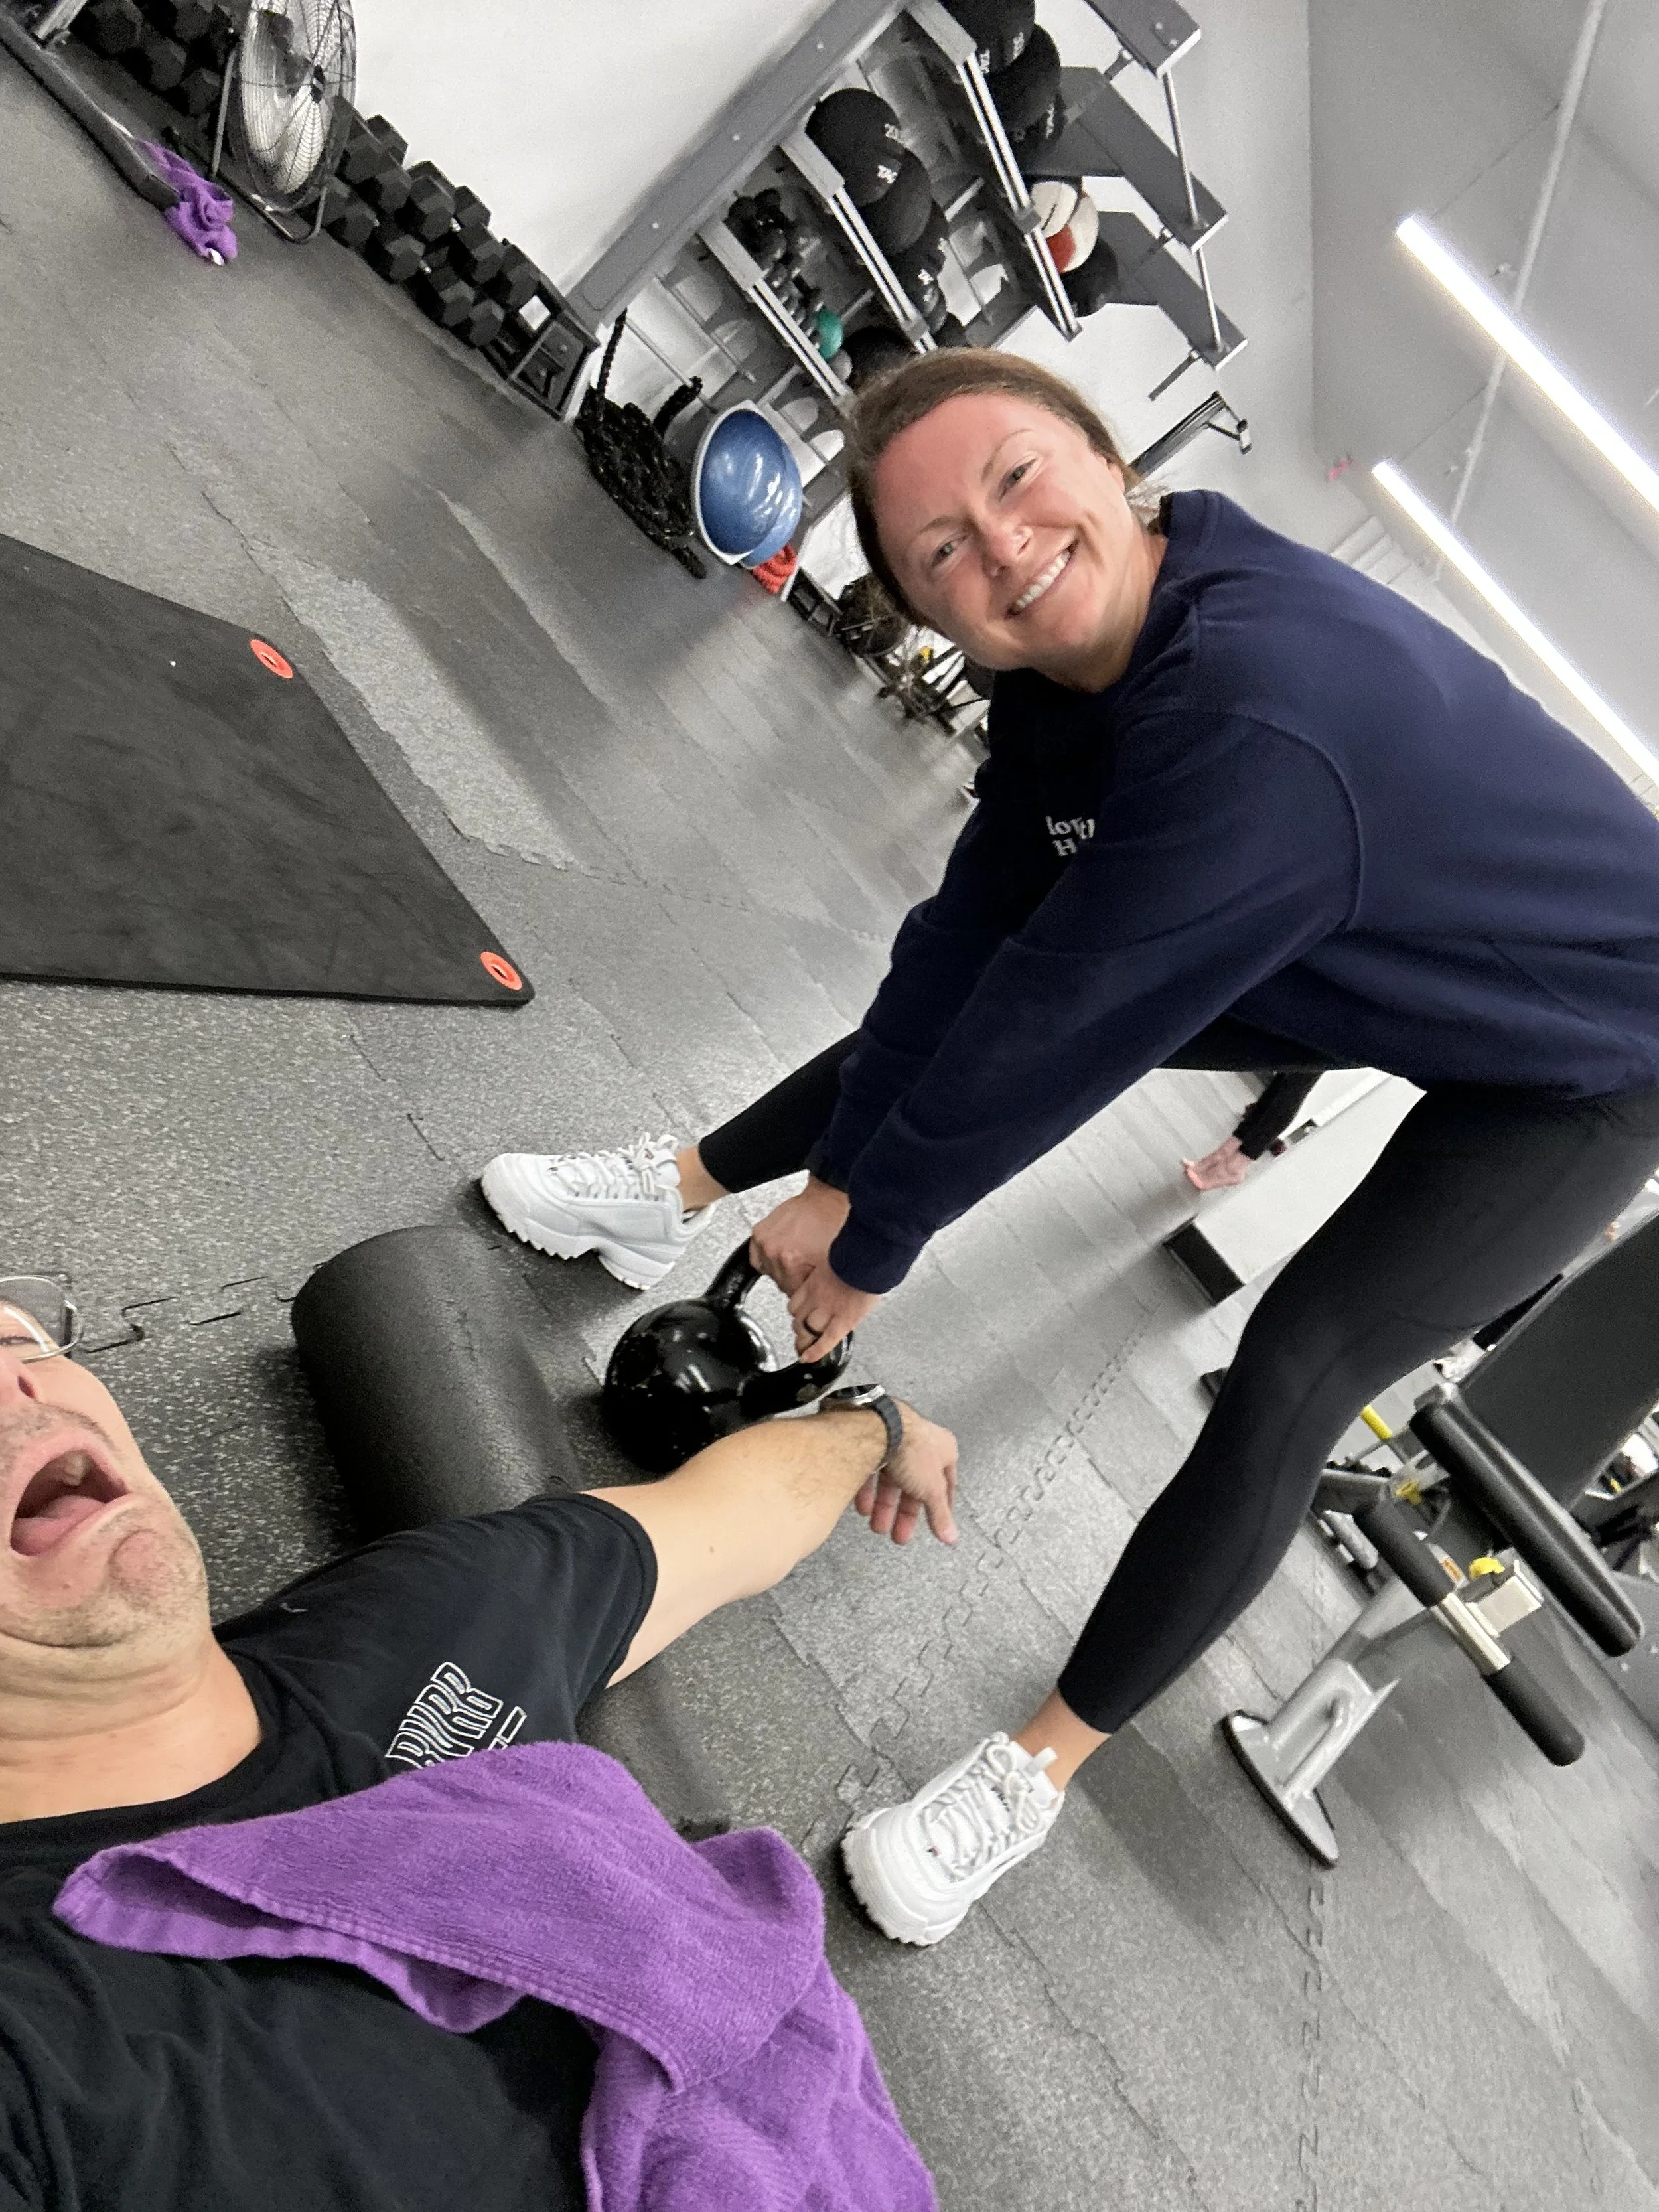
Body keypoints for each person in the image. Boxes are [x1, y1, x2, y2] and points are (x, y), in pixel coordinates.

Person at [482, 348, 1659, 1947]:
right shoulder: (1057, 689)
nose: (1000, 547)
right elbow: (970, 940)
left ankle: (1031, 1775)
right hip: (1370, 928)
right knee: (976, 1001)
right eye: (938, 552)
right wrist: (828, 1196)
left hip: (1592, 1060)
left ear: (1111, 462)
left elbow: (1065, 1023)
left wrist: (867, 1251)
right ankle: (665, 1194)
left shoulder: (1261, 712)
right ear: (918, 607)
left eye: (1019, 479)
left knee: (1295, 1369)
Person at [0, 1273, 958, 2207]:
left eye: (18, 1344)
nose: (16, 1383)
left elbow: (734, 1517)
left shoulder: (426, 1608)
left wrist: (875, 1423)